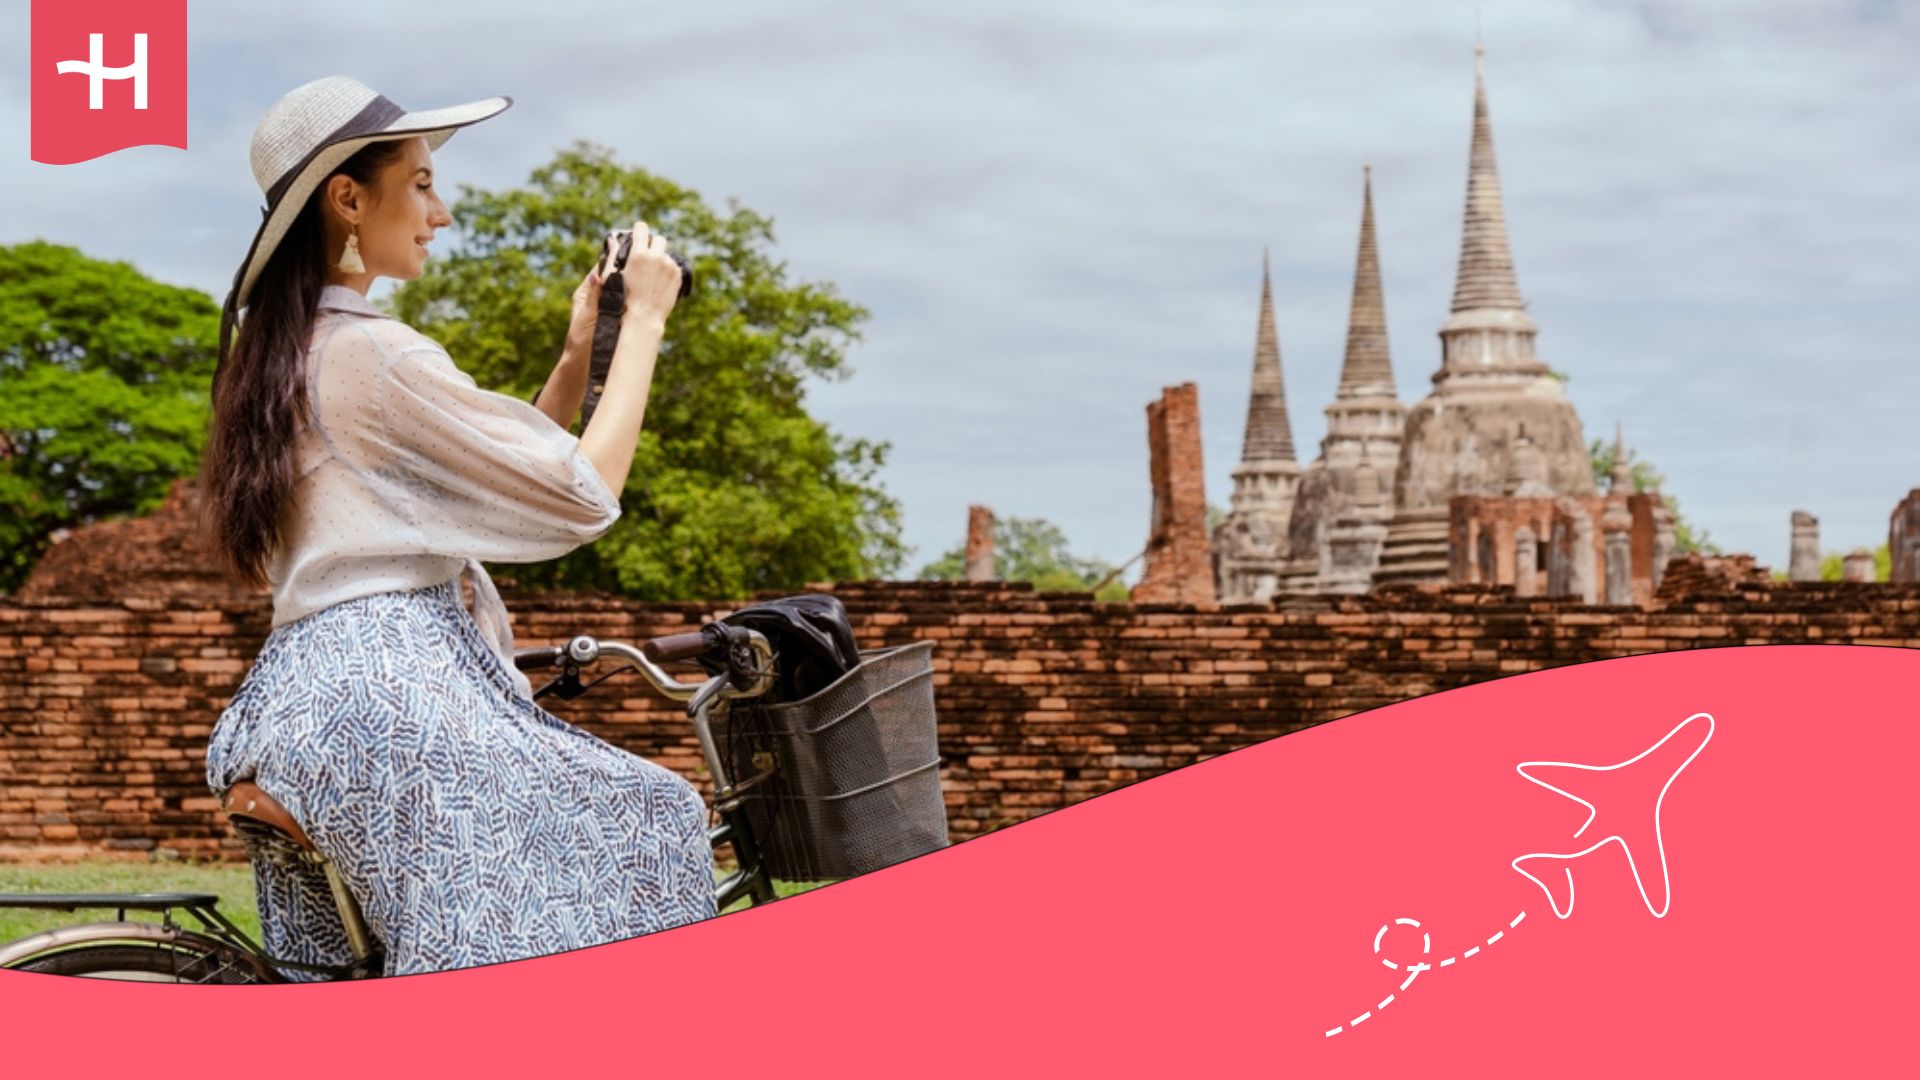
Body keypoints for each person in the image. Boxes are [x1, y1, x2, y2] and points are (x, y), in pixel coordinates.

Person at [198, 76, 714, 979]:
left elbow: (502, 466)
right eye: (423, 182)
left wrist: (575, 350)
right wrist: (647, 327)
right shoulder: (373, 352)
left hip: (305, 700)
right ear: (349, 198)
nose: (440, 211)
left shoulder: (284, 354)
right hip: (394, 696)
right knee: (654, 814)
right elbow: (582, 494)